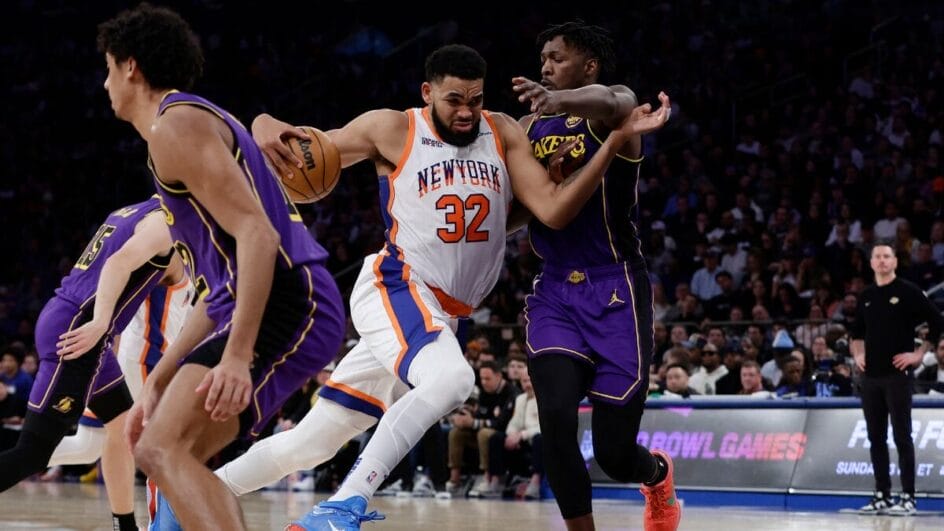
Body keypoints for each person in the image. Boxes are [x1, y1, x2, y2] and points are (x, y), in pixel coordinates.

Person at [204, 43, 669, 531]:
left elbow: (551, 209)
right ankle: (344, 506)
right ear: (428, 92)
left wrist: (609, 146)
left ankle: (191, 493)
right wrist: (261, 123)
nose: (466, 111)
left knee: (314, 441)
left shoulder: (503, 131)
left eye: (475, 99)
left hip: (442, 313)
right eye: (454, 100)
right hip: (397, 285)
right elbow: (313, 147)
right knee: (453, 380)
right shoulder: (392, 128)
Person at [97, 5, 345, 530]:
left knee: (163, 450)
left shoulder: (176, 127)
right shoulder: (185, 126)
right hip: (267, 301)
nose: (105, 83)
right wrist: (159, 379)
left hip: (290, 301)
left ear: (130, 66)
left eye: (108, 68)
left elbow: (259, 235)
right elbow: (219, 291)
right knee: (168, 450)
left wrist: (236, 355)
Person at [510, 21, 679, 530]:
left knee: (614, 454)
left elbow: (615, 99)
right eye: (543, 58)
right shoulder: (526, 127)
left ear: (589, 66)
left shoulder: (613, 114)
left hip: (616, 288)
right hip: (554, 290)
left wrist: (559, 100)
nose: (545, 66)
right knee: (556, 420)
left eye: (557, 58)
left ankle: (657, 476)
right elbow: (522, 210)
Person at [0, 196, 176, 531]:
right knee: (33, 452)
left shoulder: (128, 211)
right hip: (79, 330)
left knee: (122, 428)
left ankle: (125, 526)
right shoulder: (163, 223)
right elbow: (118, 264)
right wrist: (100, 321)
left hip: (72, 320)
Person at [44, 268, 193, 526]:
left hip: (136, 361)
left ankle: (18, 456)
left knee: (87, 446)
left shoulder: (192, 257)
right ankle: (157, 526)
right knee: (164, 449)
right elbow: (119, 280)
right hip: (143, 362)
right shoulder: (165, 251)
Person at [852, 244, 944, 516]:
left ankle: (908, 497)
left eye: (886, 256)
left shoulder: (907, 291)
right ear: (871, 263)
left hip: (897, 375)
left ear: (894, 261)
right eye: (877, 257)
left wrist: (919, 354)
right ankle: (882, 495)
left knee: (902, 436)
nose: (882, 261)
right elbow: (856, 333)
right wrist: (858, 354)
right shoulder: (866, 295)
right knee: (875, 437)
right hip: (871, 377)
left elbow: (937, 321)